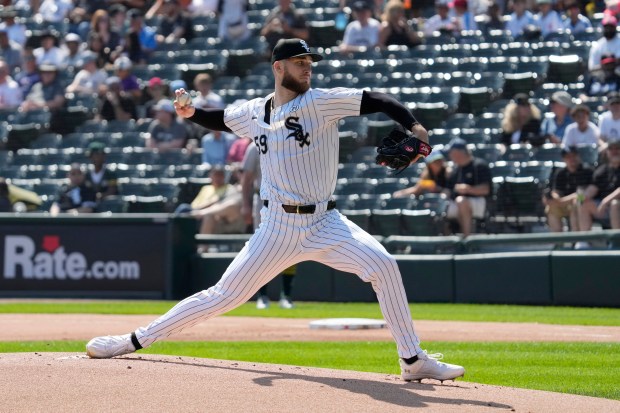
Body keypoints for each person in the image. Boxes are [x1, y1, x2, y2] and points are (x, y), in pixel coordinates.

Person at [85, 38, 465, 383]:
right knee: (222, 296)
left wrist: (415, 127)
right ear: (278, 67)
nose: (307, 67)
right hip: (277, 228)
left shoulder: (320, 101)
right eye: (299, 61)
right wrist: (191, 113)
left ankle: (413, 360)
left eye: (309, 62)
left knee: (383, 266)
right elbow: (221, 118)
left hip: (326, 221)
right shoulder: (254, 111)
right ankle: (133, 340)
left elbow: (377, 99)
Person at [241, 142, 296, 309]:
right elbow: (247, 178)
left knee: (290, 247)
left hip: (288, 201)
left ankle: (286, 295)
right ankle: (262, 295)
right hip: (263, 200)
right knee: (261, 248)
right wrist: (246, 204)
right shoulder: (255, 145)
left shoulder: (289, 141)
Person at [176, 165, 245, 249]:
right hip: (197, 212)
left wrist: (199, 212)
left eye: (220, 175)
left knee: (189, 212)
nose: (217, 178)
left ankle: (199, 250)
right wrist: (196, 210)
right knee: (183, 209)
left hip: (210, 215)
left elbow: (223, 205)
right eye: (215, 175)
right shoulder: (206, 188)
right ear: (211, 176)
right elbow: (195, 205)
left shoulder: (228, 188)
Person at [444, 138, 492, 237]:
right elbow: (449, 190)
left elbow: (486, 189)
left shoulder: (479, 165)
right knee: (440, 205)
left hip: (479, 201)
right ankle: (446, 241)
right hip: (459, 202)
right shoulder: (455, 169)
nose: (450, 156)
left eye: (451, 153)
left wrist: (468, 189)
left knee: (461, 201)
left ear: (459, 153)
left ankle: (467, 239)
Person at [576, 139, 620, 240]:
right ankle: (585, 242)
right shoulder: (602, 170)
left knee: (614, 204)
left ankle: (617, 242)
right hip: (604, 210)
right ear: (607, 152)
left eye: (618, 148)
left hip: (616, 206)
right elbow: (592, 189)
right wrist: (580, 196)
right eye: (611, 149)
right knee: (582, 203)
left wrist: (605, 202)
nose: (614, 152)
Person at [543, 146, 594, 232]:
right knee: (550, 207)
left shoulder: (587, 171)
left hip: (583, 202)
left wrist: (561, 201)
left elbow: (580, 194)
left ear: (578, 156)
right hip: (564, 203)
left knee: (576, 203)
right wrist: (554, 198)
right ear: (564, 159)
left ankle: (577, 240)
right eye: (568, 157)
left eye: (573, 156)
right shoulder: (560, 172)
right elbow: (556, 191)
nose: (571, 159)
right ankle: (558, 241)